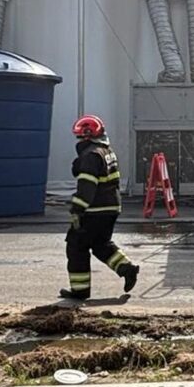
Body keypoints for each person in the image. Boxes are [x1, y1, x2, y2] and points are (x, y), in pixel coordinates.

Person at [61, 115, 139, 301]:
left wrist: (77, 209)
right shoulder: (106, 151)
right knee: (99, 244)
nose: (78, 141)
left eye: (79, 137)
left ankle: (80, 291)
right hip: (110, 208)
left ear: (86, 136)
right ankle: (127, 269)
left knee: (76, 246)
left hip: (94, 210)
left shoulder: (90, 156)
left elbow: (87, 187)